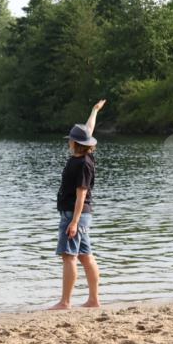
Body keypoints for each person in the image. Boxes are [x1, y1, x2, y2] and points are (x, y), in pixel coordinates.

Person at [50, 99, 106, 310]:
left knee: (69, 257)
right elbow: (88, 129)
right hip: (82, 215)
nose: (69, 142)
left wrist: (73, 222)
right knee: (85, 255)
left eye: (71, 140)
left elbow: (81, 194)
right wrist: (94, 110)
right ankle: (93, 300)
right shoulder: (86, 157)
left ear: (75, 143)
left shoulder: (82, 164)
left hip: (75, 214)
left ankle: (65, 302)